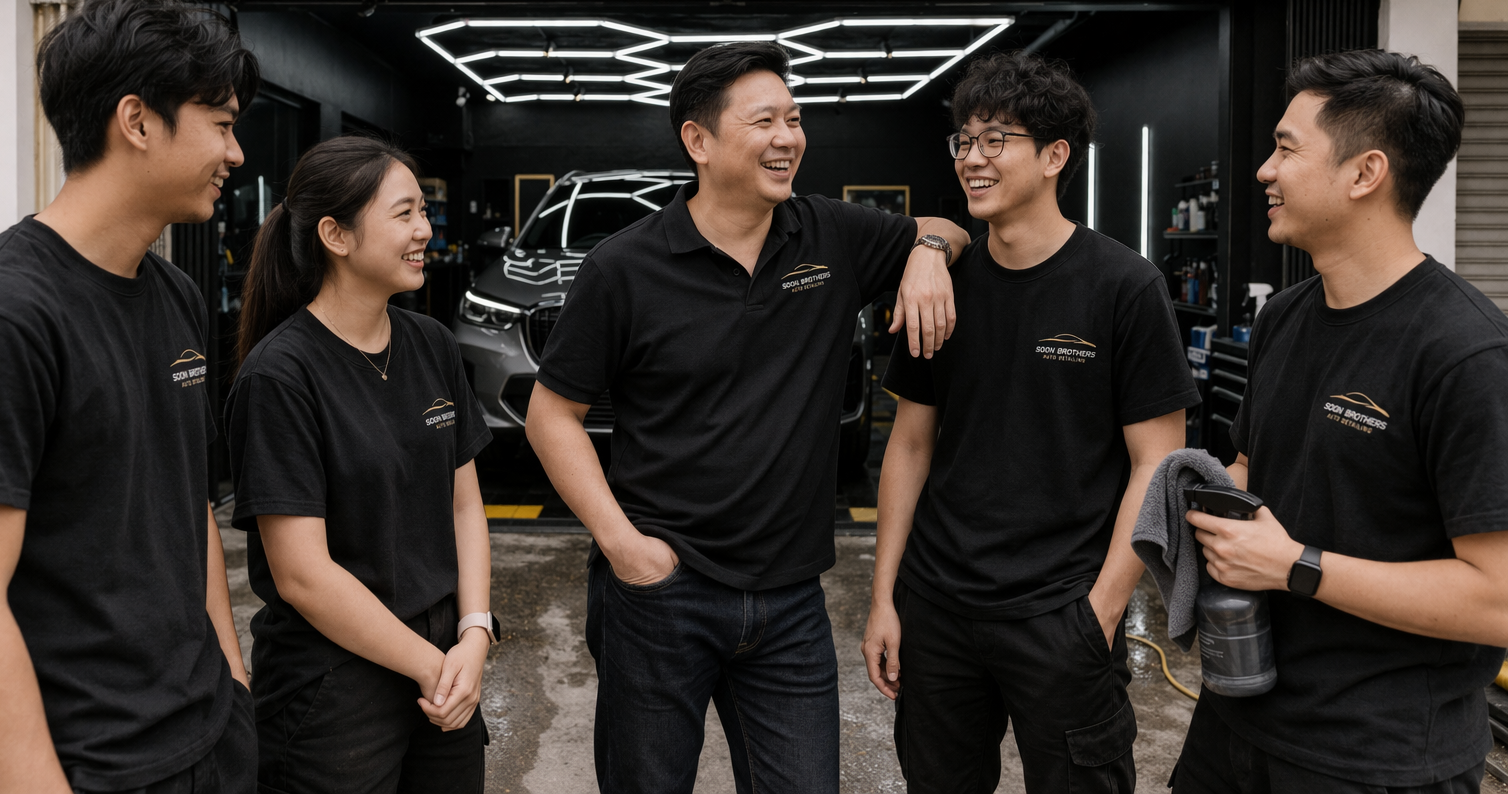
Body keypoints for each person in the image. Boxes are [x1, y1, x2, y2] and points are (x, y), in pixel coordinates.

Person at [525, 40, 969, 794]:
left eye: (794, 119)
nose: (788, 137)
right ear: (698, 141)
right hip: (661, 595)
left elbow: (952, 229)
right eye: (764, 121)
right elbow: (550, 414)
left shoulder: (831, 235)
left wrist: (925, 249)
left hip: (791, 600)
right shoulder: (625, 267)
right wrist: (625, 548)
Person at [860, 51, 1199, 793]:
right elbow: (910, 444)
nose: (972, 159)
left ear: (1054, 156)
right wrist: (886, 598)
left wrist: (1102, 611)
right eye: (963, 141)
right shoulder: (945, 286)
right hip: (940, 611)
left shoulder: (1123, 285)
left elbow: (1158, 463)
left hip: (1063, 612)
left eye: (995, 140)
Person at [1172, 49, 1508, 793]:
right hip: (1239, 712)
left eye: (1287, 149)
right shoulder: (1286, 319)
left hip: (1377, 758)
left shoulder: (1465, 352)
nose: (1265, 170)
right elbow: (1258, 472)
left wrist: (1297, 566)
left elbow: (1497, 600)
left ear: (1365, 174)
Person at [0, 0, 257, 793]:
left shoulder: (172, 294)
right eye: (223, 124)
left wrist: (230, 682)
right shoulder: (2, 315)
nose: (236, 156)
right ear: (137, 122)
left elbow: (188, 503)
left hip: (207, 740)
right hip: (89, 767)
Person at [226, 136, 493, 793]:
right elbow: (303, 576)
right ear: (335, 235)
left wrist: (475, 634)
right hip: (333, 689)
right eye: (404, 215)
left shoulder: (430, 344)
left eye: (422, 214)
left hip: (445, 668)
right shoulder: (281, 376)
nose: (424, 231)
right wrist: (432, 666)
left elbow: (465, 505)